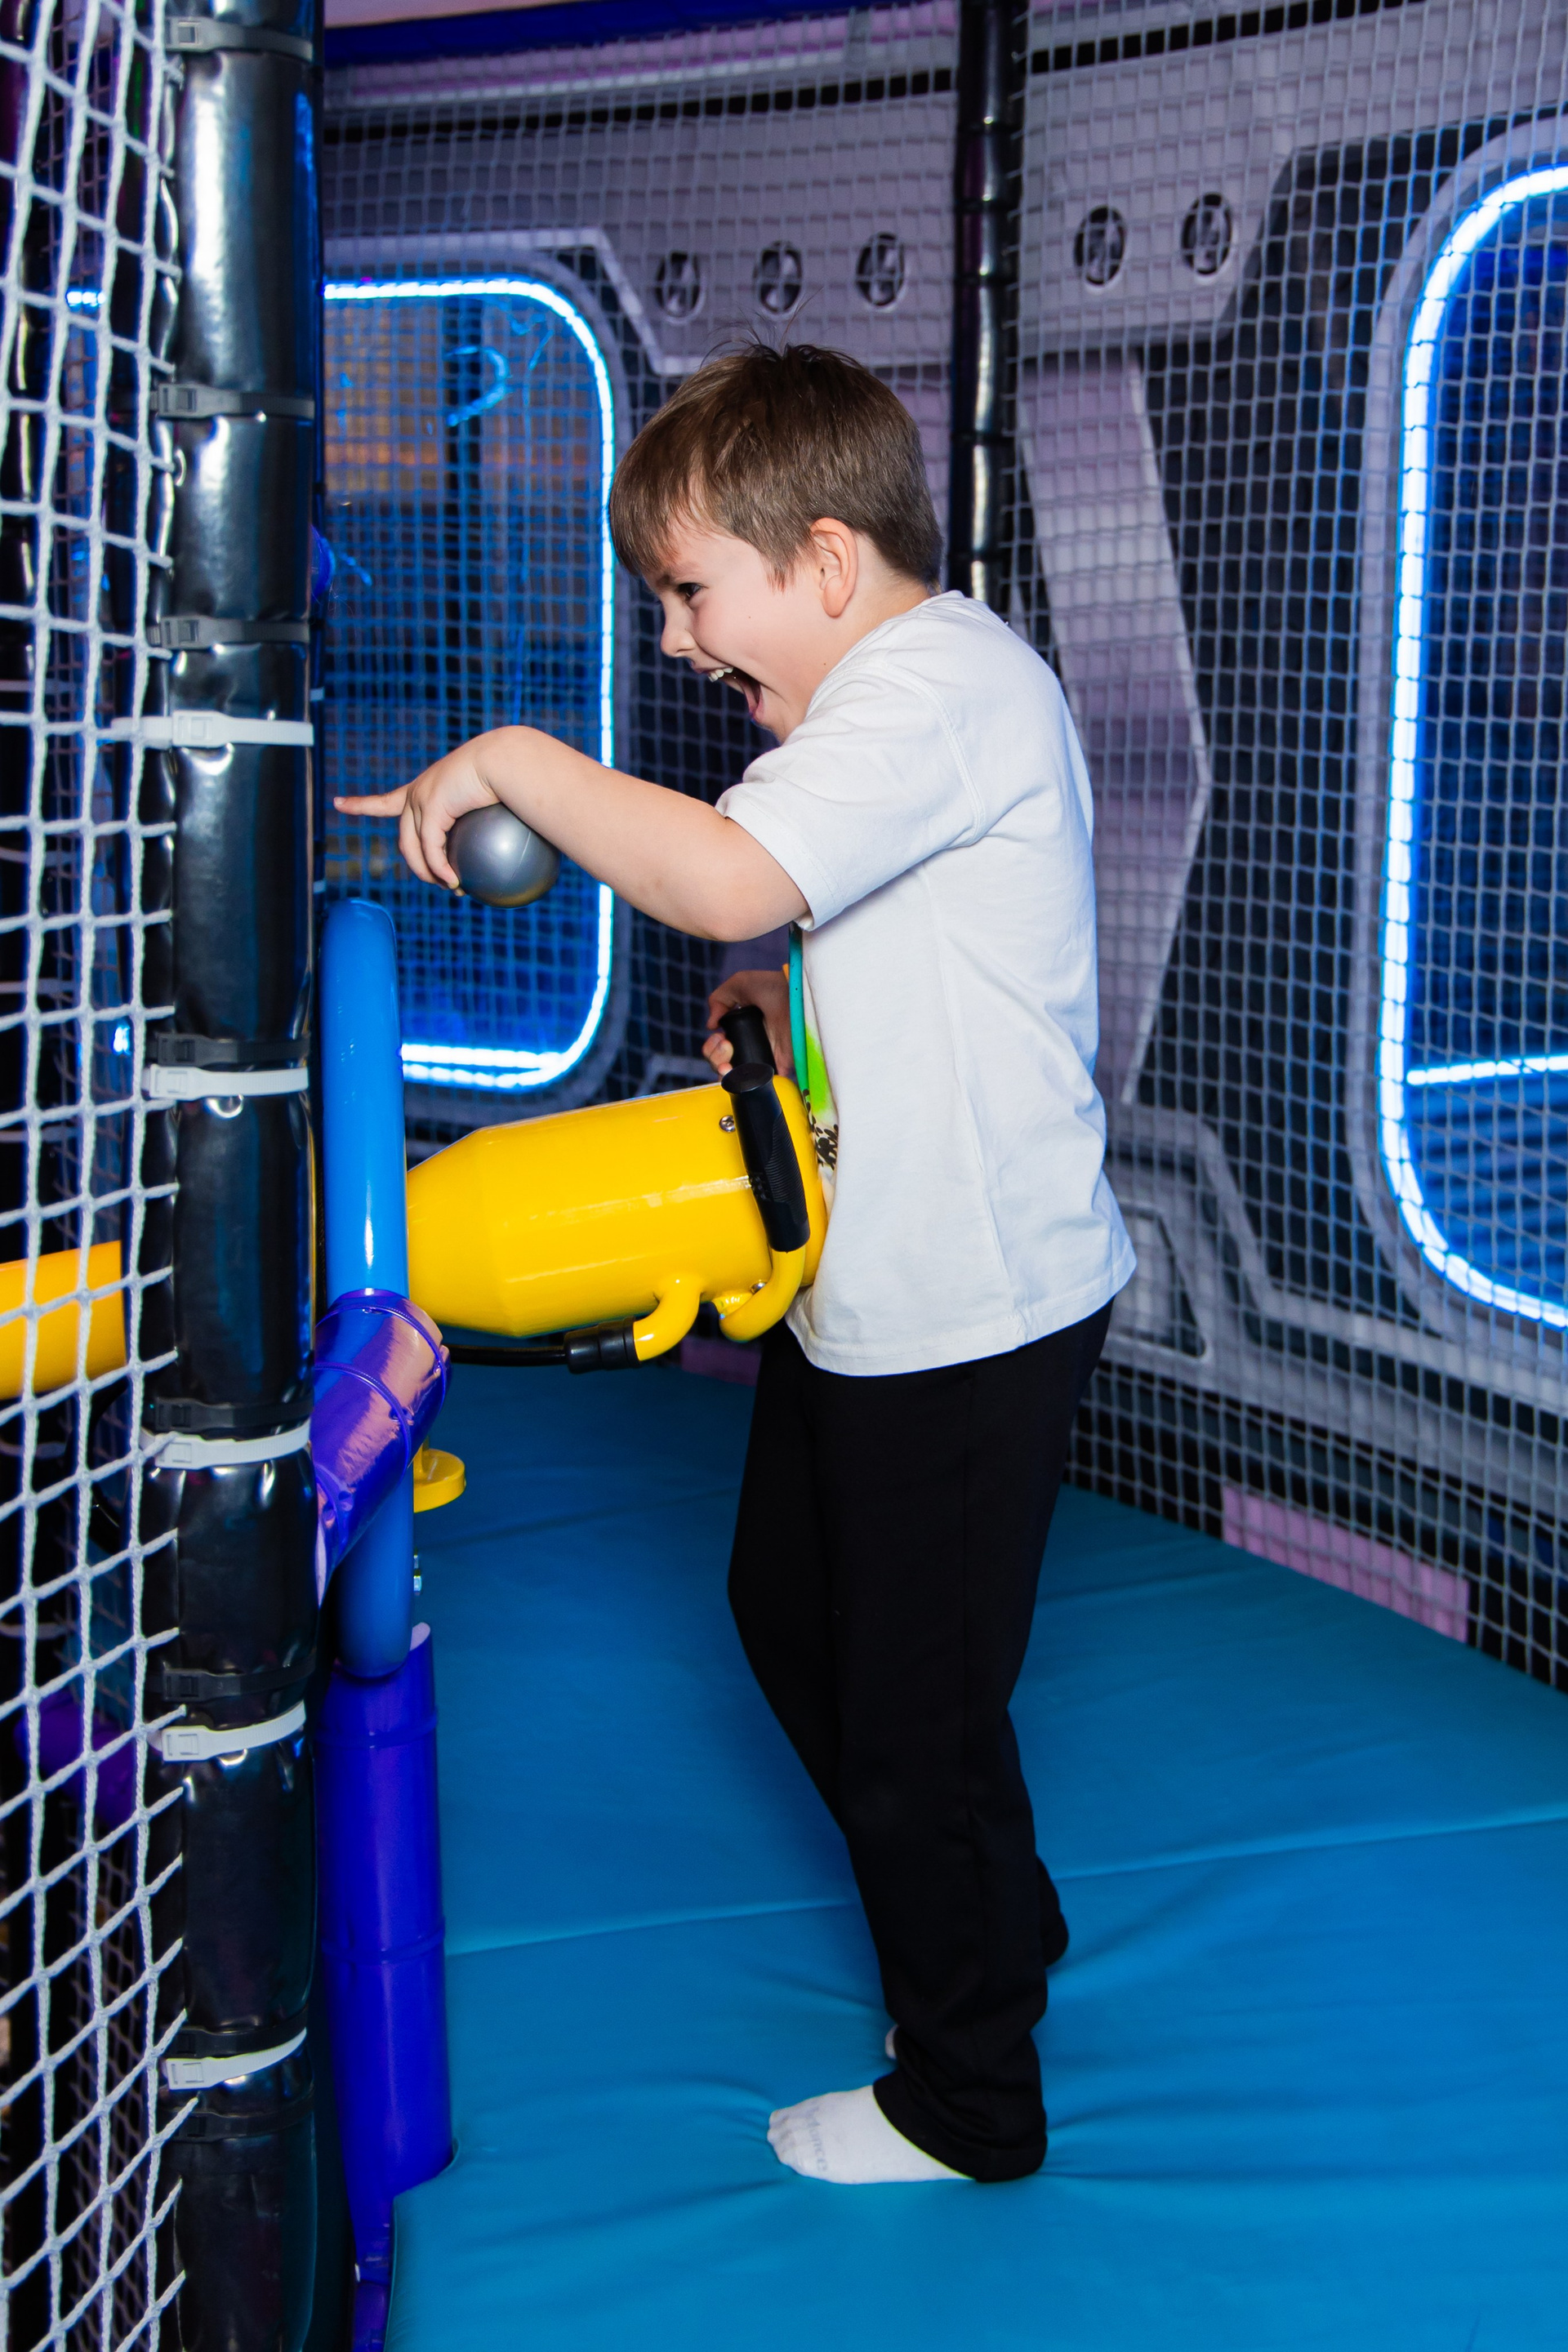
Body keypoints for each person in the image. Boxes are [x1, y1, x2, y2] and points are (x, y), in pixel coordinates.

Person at [336, 341, 1134, 2188]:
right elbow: (794, 912)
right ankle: (997, 1919)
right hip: (868, 1295)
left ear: (827, 563)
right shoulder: (878, 705)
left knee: (912, 1726)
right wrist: (767, 988)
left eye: (694, 592)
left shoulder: (938, 689)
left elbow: (724, 874)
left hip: (973, 1313)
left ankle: (971, 2099)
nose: (679, 637)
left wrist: (521, 759)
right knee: (791, 1614)